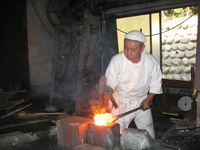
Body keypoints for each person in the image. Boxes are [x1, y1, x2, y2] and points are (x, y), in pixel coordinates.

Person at [104, 30, 163, 138]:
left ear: (142, 48)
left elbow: (156, 82)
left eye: (133, 49)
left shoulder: (150, 62)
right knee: (117, 133)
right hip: (121, 102)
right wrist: (109, 89)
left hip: (142, 100)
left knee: (148, 132)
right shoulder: (117, 60)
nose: (128, 53)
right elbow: (111, 80)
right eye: (126, 48)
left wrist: (149, 100)